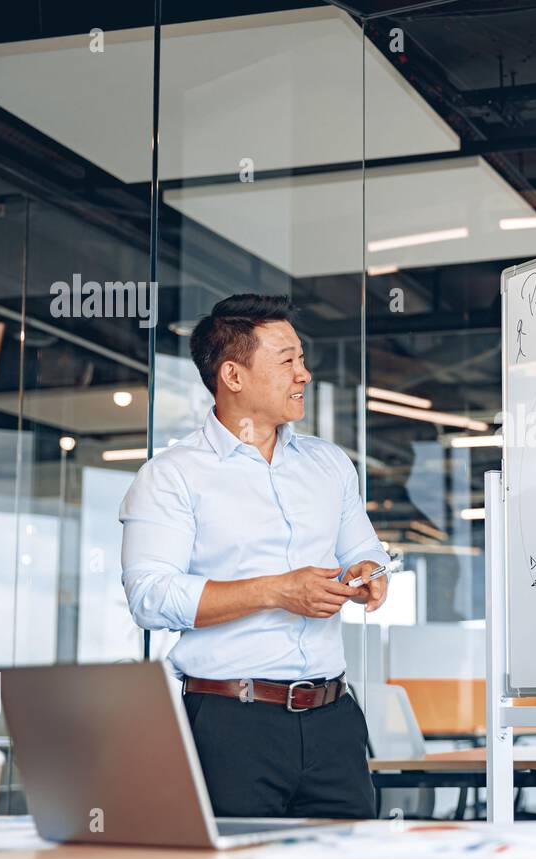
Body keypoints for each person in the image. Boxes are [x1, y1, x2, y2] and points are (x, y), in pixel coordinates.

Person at [119, 294, 389, 820]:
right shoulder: (173, 475)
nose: (304, 375)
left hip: (335, 721)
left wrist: (368, 573)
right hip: (231, 724)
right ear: (233, 375)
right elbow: (150, 597)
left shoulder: (329, 464)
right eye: (287, 360)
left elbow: (364, 549)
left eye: (302, 359)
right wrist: (278, 590)